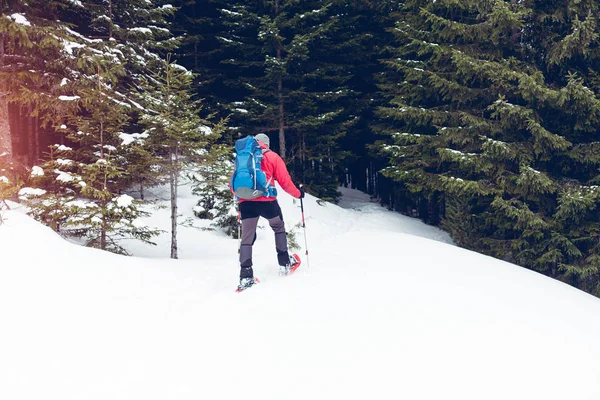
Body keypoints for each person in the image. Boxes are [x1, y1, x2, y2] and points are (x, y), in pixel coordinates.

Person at [234, 133, 305, 290]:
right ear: (267, 143)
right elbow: (285, 182)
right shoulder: (272, 157)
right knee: (278, 227)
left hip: (246, 203)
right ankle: (285, 263)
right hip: (267, 202)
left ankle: (246, 277)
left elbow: (233, 183)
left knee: (246, 238)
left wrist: (240, 198)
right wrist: (299, 194)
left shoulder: (243, 156)